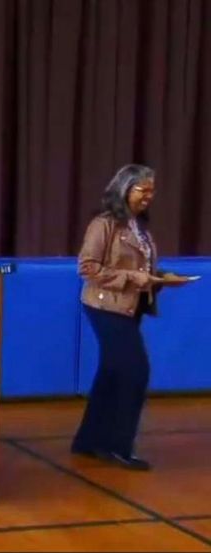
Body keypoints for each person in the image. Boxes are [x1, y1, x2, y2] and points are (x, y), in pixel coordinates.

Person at [71, 164, 195, 470]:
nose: (149, 196)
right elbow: (88, 268)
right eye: (143, 190)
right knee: (134, 372)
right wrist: (135, 279)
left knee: (112, 373)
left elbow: (143, 271)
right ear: (125, 189)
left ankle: (89, 442)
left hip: (130, 307)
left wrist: (162, 278)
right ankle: (118, 446)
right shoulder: (104, 224)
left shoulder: (139, 227)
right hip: (105, 306)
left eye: (152, 190)